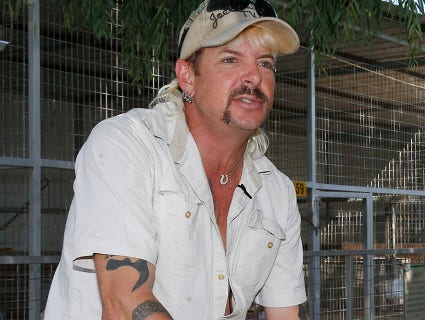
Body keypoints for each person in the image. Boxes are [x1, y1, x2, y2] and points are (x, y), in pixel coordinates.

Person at [44, 0, 307, 318]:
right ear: (187, 77)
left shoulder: (276, 192)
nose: (253, 76)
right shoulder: (126, 145)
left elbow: (285, 313)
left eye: (265, 64)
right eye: (230, 59)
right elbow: (124, 304)